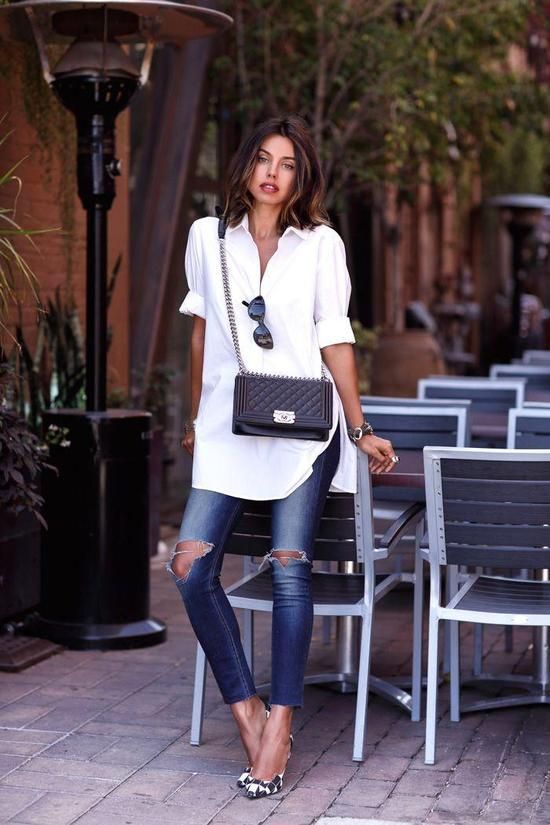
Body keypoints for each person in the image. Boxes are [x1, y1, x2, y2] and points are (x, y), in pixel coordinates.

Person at [168, 115, 398, 799]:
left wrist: (358, 426)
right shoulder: (206, 238)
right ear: (244, 167)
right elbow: (202, 335)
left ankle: (281, 726)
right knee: (189, 566)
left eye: (287, 163)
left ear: (301, 177)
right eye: (263, 159)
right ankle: (246, 707)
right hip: (230, 428)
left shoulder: (321, 244)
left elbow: (335, 337)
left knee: (290, 567)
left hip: (305, 427)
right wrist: (195, 418)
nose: (272, 172)